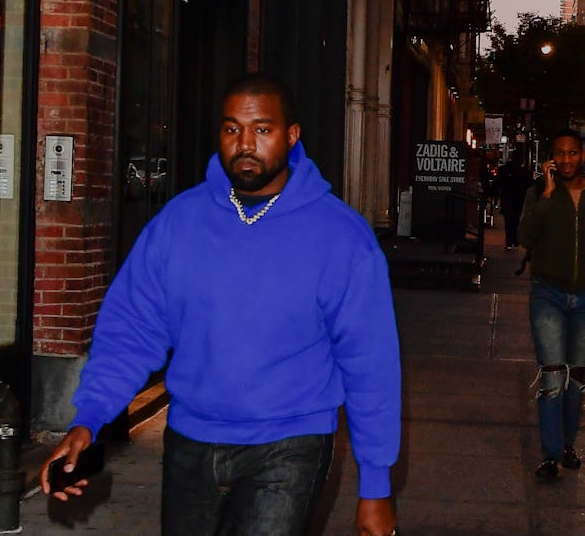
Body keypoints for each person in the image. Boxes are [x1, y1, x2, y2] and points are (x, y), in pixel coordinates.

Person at [40, 73, 401, 535]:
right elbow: (131, 329)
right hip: (191, 441)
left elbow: (371, 365)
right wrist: (88, 420)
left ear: (291, 136)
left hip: (289, 445)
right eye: (232, 129)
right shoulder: (180, 222)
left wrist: (376, 486)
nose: (244, 143)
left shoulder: (342, 237)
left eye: (262, 129)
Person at [518, 128, 585, 480]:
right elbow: (524, 237)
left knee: (577, 378)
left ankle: (567, 445)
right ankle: (549, 454)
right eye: (560, 153)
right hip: (548, 293)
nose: (566, 159)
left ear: (582, 155)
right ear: (550, 159)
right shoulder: (539, 194)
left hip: (584, 298)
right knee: (553, 376)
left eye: (573, 152)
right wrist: (545, 195)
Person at [496, 155, 531, 249]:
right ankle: (515, 241)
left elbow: (497, 184)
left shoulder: (504, 170)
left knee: (508, 221)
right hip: (518, 200)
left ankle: (509, 242)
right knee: (516, 220)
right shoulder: (524, 172)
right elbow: (528, 185)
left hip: (507, 199)